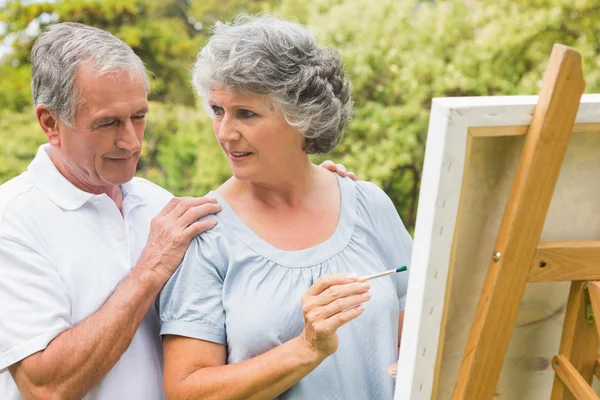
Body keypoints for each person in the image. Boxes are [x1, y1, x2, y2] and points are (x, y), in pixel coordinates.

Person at [0, 22, 352, 400]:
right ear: (50, 123)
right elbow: (46, 388)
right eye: (108, 123)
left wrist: (310, 184)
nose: (132, 141)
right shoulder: (13, 220)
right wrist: (149, 270)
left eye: (139, 116)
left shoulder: (159, 203)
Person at [159, 16, 413, 400]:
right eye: (217, 110)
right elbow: (187, 391)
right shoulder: (206, 234)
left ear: (303, 116)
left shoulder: (369, 204)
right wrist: (305, 349)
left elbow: (422, 336)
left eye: (246, 113)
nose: (225, 132)